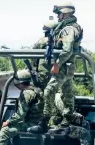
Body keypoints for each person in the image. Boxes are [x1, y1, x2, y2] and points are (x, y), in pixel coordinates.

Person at [31, 2, 83, 132]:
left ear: (65, 13)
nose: (58, 17)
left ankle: (44, 122)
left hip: (64, 66)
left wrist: (57, 64)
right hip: (68, 66)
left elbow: (67, 50)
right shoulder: (73, 27)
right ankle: (67, 120)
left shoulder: (68, 29)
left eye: (59, 14)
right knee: (67, 93)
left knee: (49, 91)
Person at [0, 69, 44, 145]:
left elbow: (20, 114)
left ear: (20, 82)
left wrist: (9, 122)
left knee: (6, 130)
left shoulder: (26, 93)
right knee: (14, 132)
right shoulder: (38, 90)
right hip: (40, 123)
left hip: (31, 124)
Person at [32, 20, 59, 89]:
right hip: (57, 73)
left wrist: (34, 66)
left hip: (44, 73)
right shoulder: (60, 40)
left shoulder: (42, 40)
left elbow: (34, 51)